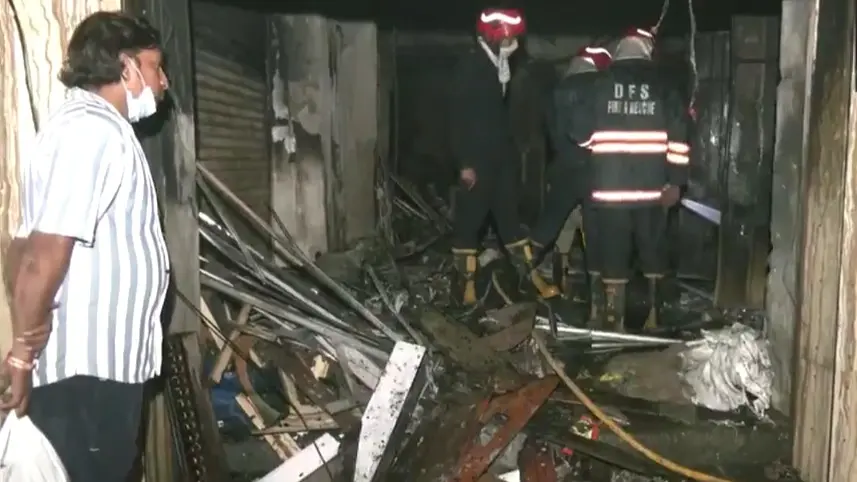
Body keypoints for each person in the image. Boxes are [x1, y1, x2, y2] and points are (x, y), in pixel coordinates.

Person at [1, 11, 171, 481]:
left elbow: (19, 245)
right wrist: (21, 354)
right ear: (125, 66)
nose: (163, 82)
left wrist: (25, 337)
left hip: (96, 372)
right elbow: (41, 253)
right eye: (155, 67)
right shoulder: (90, 131)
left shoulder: (91, 129)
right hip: (88, 374)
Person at [571, 27, 691, 332]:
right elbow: (679, 139)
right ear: (647, 51)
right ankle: (654, 316)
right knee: (653, 251)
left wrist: (601, 145)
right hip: (653, 190)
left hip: (611, 190)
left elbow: (578, 133)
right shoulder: (666, 86)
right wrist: (675, 182)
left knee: (613, 253)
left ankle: (615, 321)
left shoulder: (598, 84)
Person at [448, 7, 560, 305]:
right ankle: (465, 288)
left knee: (511, 222)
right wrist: (465, 164)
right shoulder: (472, 65)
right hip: (478, 163)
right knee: (469, 224)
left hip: (501, 162)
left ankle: (530, 278)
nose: (516, 45)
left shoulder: (499, 68)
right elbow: (458, 119)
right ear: (496, 36)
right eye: (511, 39)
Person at [531, 46, 613, 308]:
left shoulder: (557, 90)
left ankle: (525, 272)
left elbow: (549, 131)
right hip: (593, 170)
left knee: (550, 225)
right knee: (595, 232)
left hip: (563, 168)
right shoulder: (600, 87)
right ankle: (597, 300)